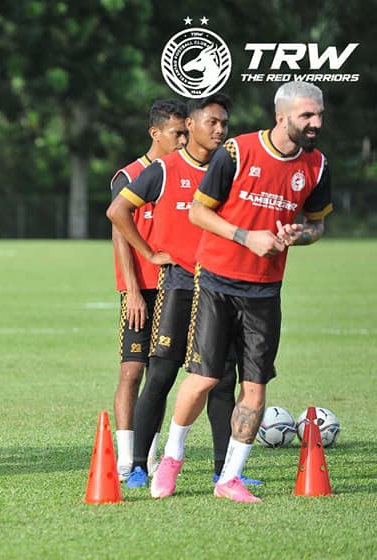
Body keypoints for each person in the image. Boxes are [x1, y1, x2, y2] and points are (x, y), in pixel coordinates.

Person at [152, 81, 332, 502]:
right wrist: (246, 237)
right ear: (281, 117)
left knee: (255, 387)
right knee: (204, 378)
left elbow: (317, 226)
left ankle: (229, 478)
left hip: (266, 290)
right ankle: (172, 458)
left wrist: (299, 235)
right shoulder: (237, 152)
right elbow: (198, 212)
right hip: (217, 280)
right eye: (307, 115)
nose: (316, 123)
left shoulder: (318, 165)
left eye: (319, 115)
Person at [108, 94, 261, 490]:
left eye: (224, 124)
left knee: (222, 380)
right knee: (159, 374)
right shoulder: (163, 169)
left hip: (220, 285)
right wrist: (148, 253)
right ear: (191, 126)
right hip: (176, 285)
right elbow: (117, 212)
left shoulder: (227, 169)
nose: (220, 131)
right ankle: (138, 466)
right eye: (213, 123)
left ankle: (224, 470)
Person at [109, 99, 187, 480]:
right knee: (132, 371)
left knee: (161, 373)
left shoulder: (181, 171)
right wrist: (133, 291)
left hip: (174, 286)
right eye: (177, 133)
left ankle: (149, 455)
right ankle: (126, 458)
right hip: (140, 288)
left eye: (186, 133)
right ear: (155, 133)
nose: (183, 140)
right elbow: (119, 234)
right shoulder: (129, 175)